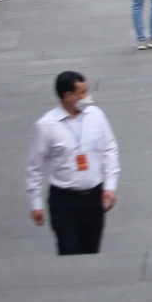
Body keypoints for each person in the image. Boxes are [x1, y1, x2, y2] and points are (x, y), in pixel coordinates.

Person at [25, 72, 120, 255]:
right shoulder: (46, 125)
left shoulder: (96, 115)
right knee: (69, 251)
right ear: (67, 96)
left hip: (93, 198)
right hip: (64, 201)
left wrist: (110, 186)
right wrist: (36, 203)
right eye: (82, 93)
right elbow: (35, 167)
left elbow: (110, 149)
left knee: (91, 251)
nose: (87, 96)